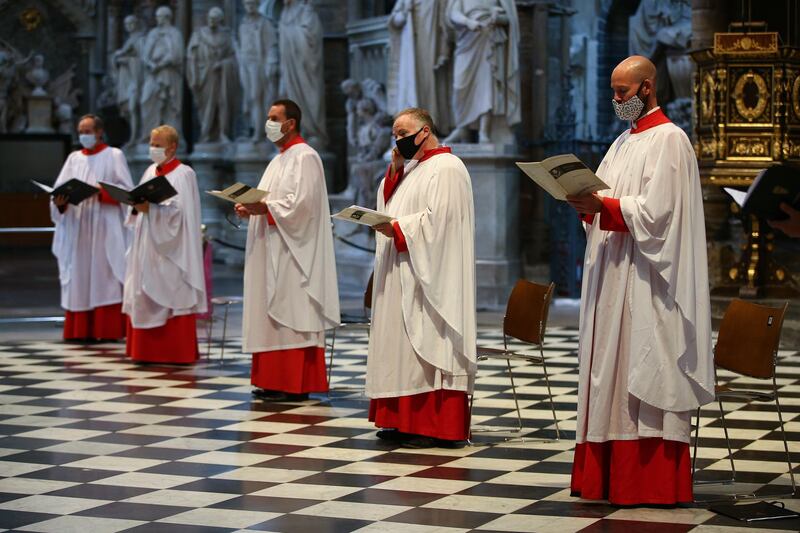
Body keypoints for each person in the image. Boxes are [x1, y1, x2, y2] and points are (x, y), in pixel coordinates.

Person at [566, 55, 714, 505]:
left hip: (648, 283)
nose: (616, 99)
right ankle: (606, 478)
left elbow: (658, 215)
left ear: (648, 88)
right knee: (608, 377)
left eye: (623, 92)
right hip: (613, 278)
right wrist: (586, 206)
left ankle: (648, 481)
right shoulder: (622, 143)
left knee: (644, 370)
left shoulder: (670, 140)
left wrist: (605, 207)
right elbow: (609, 198)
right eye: (613, 91)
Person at [367, 107, 477, 448]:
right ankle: (400, 419)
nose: (398, 140)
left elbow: (439, 225)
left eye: (404, 133)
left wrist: (399, 229)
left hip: (429, 277)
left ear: (425, 131)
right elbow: (392, 207)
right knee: (398, 350)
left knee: (426, 345)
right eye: (394, 135)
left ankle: (431, 424)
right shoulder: (412, 170)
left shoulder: (447, 168)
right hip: (402, 272)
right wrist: (395, 172)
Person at [236, 99, 339, 401]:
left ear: (290, 122)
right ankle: (271, 379)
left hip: (294, 254)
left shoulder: (305, 157)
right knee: (269, 314)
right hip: (272, 247)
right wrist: (250, 208)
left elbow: (303, 206)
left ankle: (293, 383)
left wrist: (264, 208)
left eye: (273, 117)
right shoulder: (277, 160)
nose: (268, 123)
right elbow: (270, 201)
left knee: (292, 312)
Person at [123, 125, 206, 363]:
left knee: (172, 290)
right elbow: (137, 203)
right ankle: (145, 351)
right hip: (147, 243)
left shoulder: (184, 174)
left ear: (172, 147)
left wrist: (152, 210)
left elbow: (181, 216)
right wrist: (136, 205)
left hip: (172, 249)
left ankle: (174, 352)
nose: (153, 149)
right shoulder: (150, 170)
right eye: (151, 143)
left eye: (158, 145)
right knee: (143, 288)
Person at [51, 114, 132, 341]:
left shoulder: (114, 155)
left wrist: (101, 191)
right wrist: (60, 202)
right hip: (78, 227)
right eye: (80, 131)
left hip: (104, 227)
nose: (83, 135)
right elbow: (59, 190)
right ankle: (80, 331)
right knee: (79, 276)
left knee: (104, 277)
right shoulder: (74, 158)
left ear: (99, 132)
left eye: (87, 131)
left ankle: (106, 330)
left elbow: (127, 192)